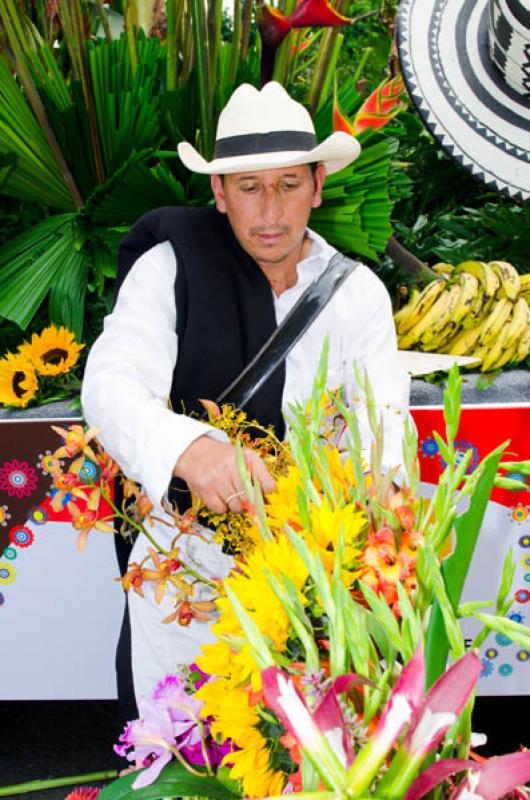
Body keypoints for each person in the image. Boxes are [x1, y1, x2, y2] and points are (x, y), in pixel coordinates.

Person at [81, 81, 410, 709]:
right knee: (187, 753)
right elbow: (111, 380)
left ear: (317, 184)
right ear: (218, 192)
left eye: (288, 185)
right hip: (189, 573)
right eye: (250, 188)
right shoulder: (169, 268)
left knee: (311, 750)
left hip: (316, 572)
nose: (271, 213)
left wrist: (379, 505)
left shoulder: (356, 293)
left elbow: (385, 419)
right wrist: (193, 450)